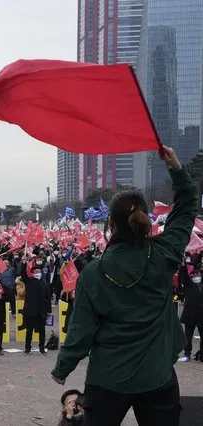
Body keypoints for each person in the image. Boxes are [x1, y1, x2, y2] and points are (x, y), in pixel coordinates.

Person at [51, 148, 194, 426]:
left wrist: (63, 368)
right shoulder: (164, 253)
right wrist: (176, 167)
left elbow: (82, 328)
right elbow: (187, 207)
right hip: (157, 373)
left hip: (108, 377)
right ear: (145, 220)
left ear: (111, 224)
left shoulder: (93, 272)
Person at [21, 258, 49, 355]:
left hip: (41, 310)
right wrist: (24, 263)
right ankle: (27, 348)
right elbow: (23, 274)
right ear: (32, 273)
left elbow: (48, 297)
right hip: (31, 310)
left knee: (42, 331)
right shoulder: (29, 281)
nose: (38, 273)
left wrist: (48, 310)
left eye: (39, 271)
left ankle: (42, 348)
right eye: (36, 271)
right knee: (29, 331)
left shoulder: (45, 283)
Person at [178, 263, 203, 362]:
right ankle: (187, 354)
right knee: (188, 336)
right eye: (194, 275)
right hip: (190, 314)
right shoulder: (189, 285)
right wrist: (183, 265)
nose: (196, 277)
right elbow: (184, 276)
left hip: (201, 315)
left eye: (198, 275)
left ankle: (201, 354)